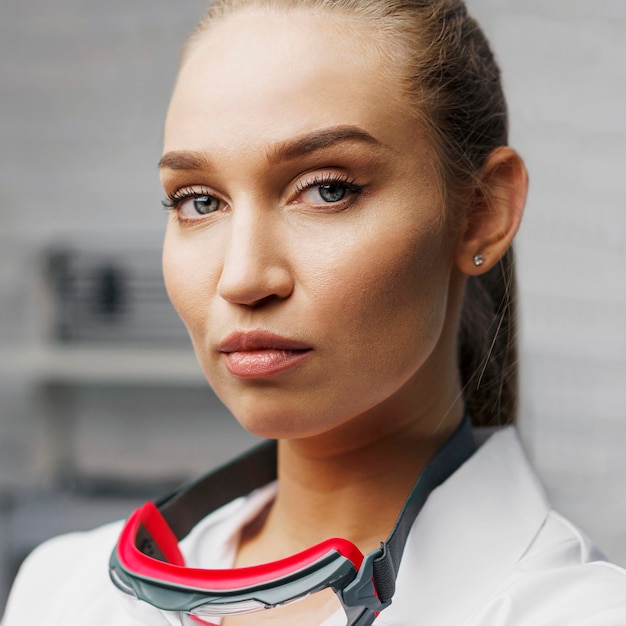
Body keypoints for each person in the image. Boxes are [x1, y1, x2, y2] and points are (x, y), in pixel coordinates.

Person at [3, 0, 625, 624]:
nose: (243, 277)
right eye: (197, 201)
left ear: (482, 213)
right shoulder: (58, 589)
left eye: (328, 188)